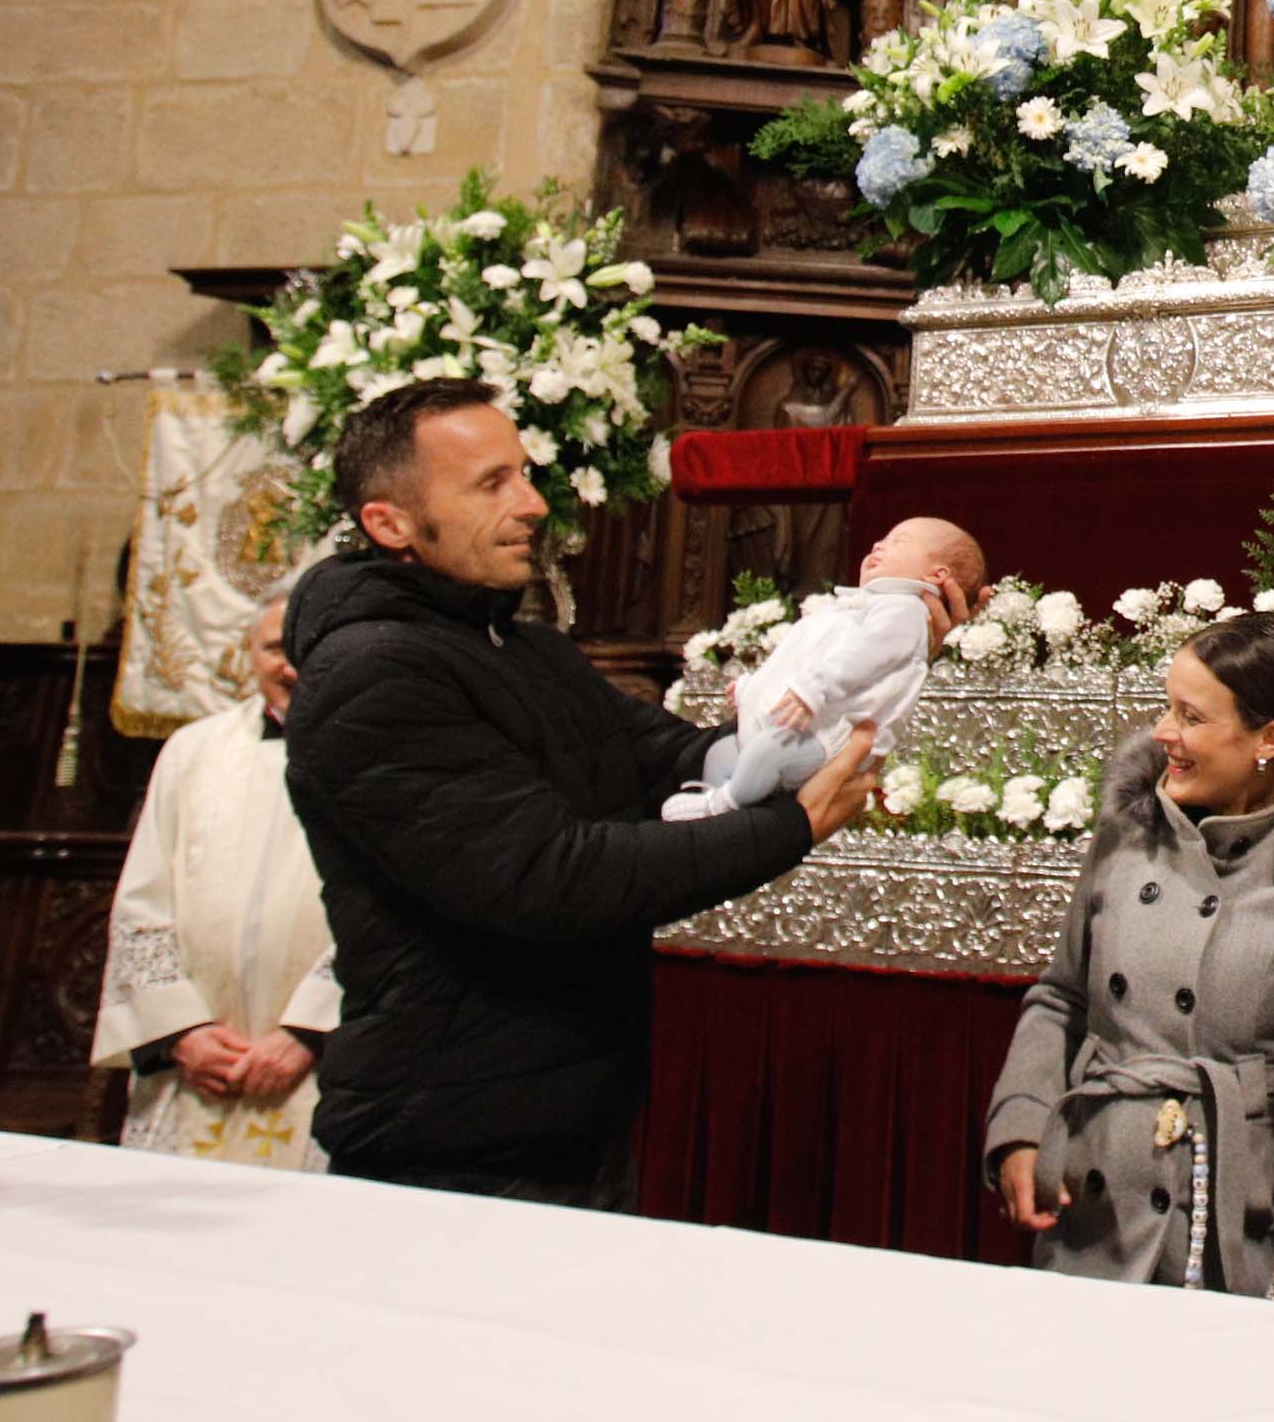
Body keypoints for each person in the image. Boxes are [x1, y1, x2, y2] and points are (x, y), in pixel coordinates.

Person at [281, 378, 906, 1207]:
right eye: (491, 483)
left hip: (563, 1109)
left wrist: (826, 696)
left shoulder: (526, 652)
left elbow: (672, 758)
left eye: (525, 473)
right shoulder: (373, 676)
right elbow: (549, 876)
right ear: (388, 523)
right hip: (450, 1134)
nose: (534, 504)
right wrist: (790, 822)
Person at [983, 612, 1274, 1293]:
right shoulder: (1128, 828)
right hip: (1093, 1212)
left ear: (1268, 739)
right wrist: (1020, 1124)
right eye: (1167, 706)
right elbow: (1061, 993)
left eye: (1189, 715)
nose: (1163, 733)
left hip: (1243, 1227)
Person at [89, 576, 337, 1169]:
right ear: (248, 652)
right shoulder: (192, 752)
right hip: (194, 1072)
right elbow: (142, 907)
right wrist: (184, 1033)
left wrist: (308, 1033)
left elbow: (391, 913)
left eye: (310, 646)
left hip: (320, 1074)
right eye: (277, 647)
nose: (292, 666)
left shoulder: (384, 754)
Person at [661, 515, 984, 821]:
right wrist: (751, 688)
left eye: (898, 541)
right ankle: (719, 807)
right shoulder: (850, 611)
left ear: (936, 575)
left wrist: (813, 690)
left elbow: (860, 658)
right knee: (722, 752)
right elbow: (797, 659)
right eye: (882, 539)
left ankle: (725, 804)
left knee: (766, 752)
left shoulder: (903, 609)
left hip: (825, 731)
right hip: (790, 722)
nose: (878, 546)